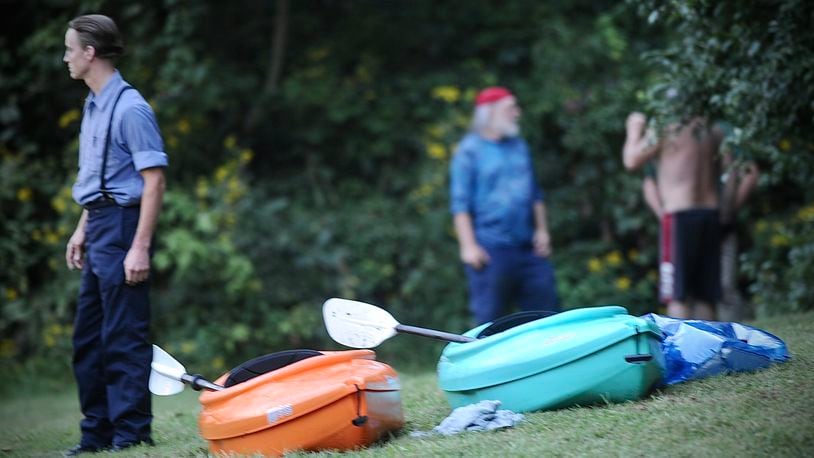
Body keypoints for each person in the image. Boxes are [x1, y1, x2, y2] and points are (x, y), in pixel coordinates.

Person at [63, 14, 168, 455]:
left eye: (70, 48)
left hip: (125, 230)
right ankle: (96, 435)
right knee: (88, 339)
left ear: (90, 53)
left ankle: (130, 436)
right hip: (100, 224)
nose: (65, 57)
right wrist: (81, 228)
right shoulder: (93, 104)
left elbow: (154, 180)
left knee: (123, 336)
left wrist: (139, 247)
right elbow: (103, 179)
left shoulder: (130, 108)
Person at [449, 87, 559, 325]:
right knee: (491, 320)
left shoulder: (519, 146)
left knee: (547, 316)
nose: (517, 113)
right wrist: (468, 246)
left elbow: (535, 193)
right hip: (491, 248)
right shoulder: (469, 151)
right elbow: (460, 204)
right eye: (510, 108)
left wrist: (542, 231)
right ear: (489, 113)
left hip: (528, 247)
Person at [623, 112, 722, 319]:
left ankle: (681, 350)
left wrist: (634, 129)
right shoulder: (711, 126)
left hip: (679, 214)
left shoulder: (666, 126)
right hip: (710, 213)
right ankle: (712, 349)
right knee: (706, 295)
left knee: (677, 295)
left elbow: (631, 161)